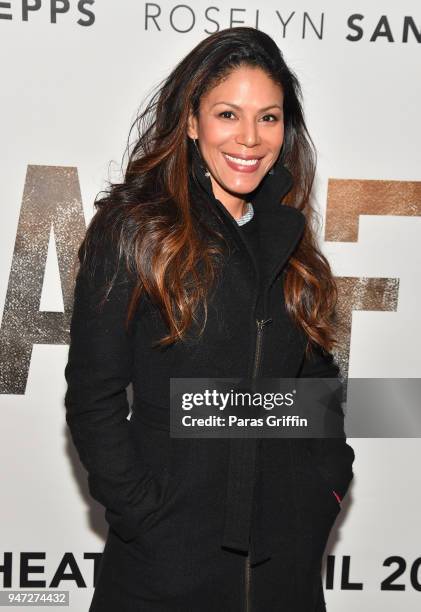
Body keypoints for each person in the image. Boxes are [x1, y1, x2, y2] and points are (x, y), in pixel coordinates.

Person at [64, 26, 355, 611]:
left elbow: (315, 390)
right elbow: (92, 397)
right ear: (192, 121)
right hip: (165, 569)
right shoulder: (136, 231)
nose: (250, 138)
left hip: (284, 569)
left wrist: (327, 482)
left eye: (269, 118)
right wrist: (144, 514)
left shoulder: (292, 241)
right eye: (228, 113)